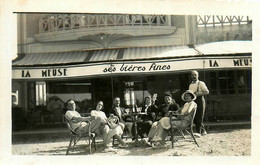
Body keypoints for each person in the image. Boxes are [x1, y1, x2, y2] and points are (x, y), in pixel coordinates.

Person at [189, 70, 209, 136]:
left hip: (200, 100)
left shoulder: (201, 83)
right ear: (191, 76)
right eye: (192, 75)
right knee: (194, 116)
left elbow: (206, 92)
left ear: (198, 75)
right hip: (193, 101)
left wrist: (198, 94)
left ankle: (198, 132)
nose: (194, 76)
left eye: (195, 75)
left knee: (199, 116)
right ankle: (203, 131)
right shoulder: (190, 85)